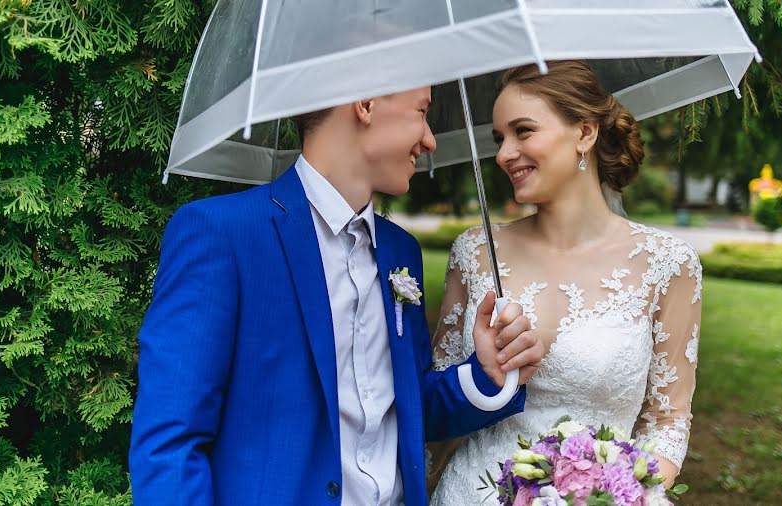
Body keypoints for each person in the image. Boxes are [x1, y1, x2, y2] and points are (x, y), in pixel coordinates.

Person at [129, 86, 549, 505]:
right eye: (421, 112)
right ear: (365, 102)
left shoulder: (401, 251)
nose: (430, 139)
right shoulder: (222, 234)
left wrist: (486, 375)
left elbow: (403, 403)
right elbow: (170, 444)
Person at [429, 61, 702, 504]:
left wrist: (620, 495)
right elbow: (433, 414)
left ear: (585, 132)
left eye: (523, 131)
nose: (503, 154)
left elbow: (666, 422)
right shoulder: (476, 253)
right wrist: (482, 374)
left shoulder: (668, 265)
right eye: (499, 139)